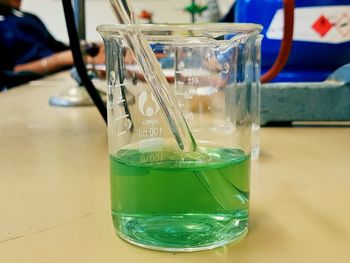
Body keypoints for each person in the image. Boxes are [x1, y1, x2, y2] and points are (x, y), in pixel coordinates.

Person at [0, 0, 104, 90]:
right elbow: (10, 73)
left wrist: (95, 48)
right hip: (26, 88)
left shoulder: (27, 17)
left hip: (59, 79)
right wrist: (60, 60)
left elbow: (58, 47)